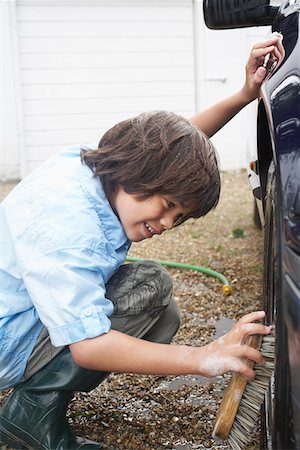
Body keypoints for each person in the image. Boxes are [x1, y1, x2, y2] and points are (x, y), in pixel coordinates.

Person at [0, 33, 284, 450]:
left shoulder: (96, 169)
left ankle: (37, 397)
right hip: (7, 342)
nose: (168, 222)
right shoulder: (72, 232)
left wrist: (244, 94)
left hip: (15, 312)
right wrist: (201, 357)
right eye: (168, 204)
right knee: (149, 291)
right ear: (139, 172)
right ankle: (31, 412)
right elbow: (89, 346)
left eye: (180, 216)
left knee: (159, 306)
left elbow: (176, 147)